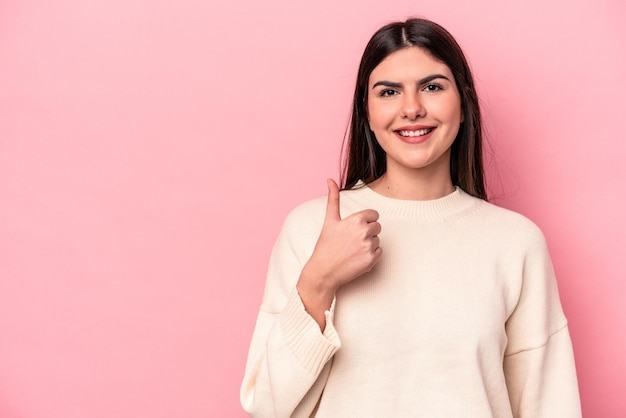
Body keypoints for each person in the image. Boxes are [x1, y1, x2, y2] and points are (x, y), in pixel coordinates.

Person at [240, 18, 581, 417]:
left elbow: (549, 404)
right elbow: (265, 405)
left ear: (464, 103)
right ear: (366, 111)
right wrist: (319, 281)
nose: (412, 108)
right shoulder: (311, 229)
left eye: (433, 87)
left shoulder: (516, 242)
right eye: (388, 92)